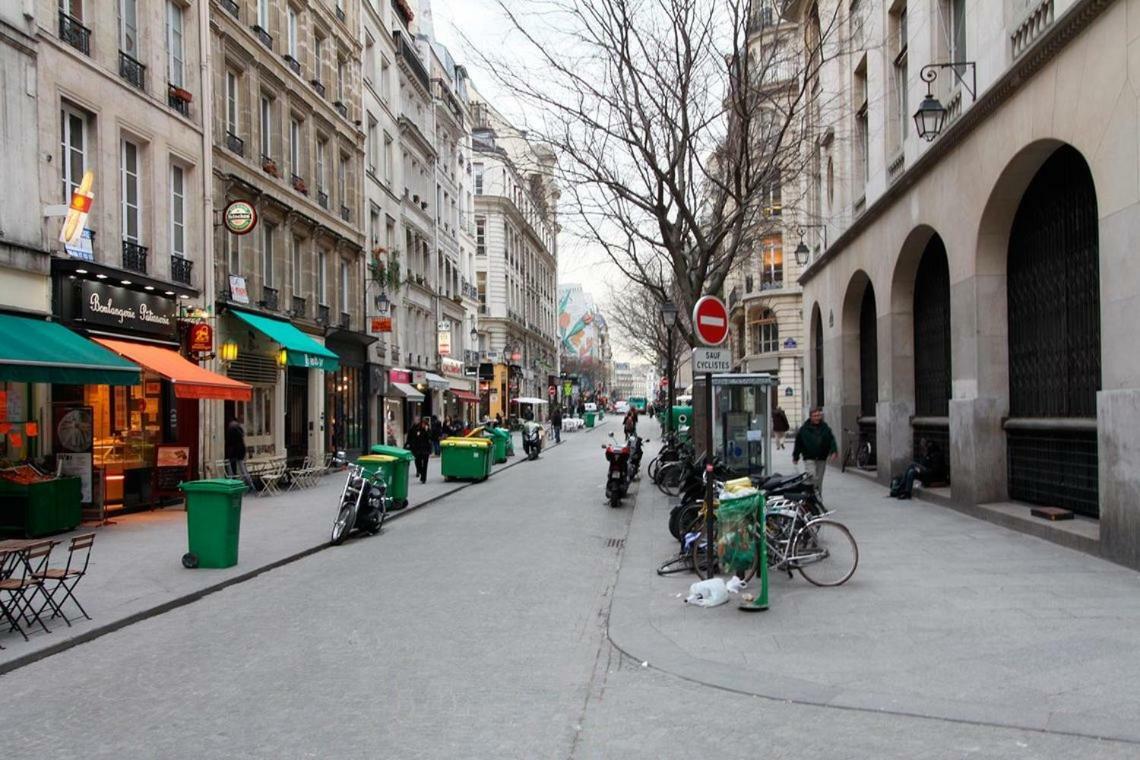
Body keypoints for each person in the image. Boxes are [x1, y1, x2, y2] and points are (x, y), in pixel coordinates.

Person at [792, 407, 838, 495]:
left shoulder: (825, 428)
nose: (817, 418)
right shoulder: (804, 429)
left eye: (818, 415)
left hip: (821, 457)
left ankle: (817, 498)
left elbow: (831, 439)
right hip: (809, 457)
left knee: (819, 480)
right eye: (815, 416)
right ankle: (810, 495)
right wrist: (796, 456)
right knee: (812, 476)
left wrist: (834, 451)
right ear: (811, 417)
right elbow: (798, 443)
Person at [225, 414, 254, 490]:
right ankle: (250, 484)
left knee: (232, 469)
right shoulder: (238, 427)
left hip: (233, 452)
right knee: (242, 468)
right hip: (240, 451)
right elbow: (241, 437)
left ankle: (232, 484)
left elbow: (229, 441)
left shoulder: (230, 428)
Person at [405, 418, 433, 484]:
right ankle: (420, 471)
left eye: (425, 424)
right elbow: (413, 438)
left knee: (425, 464)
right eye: (422, 424)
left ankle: (423, 478)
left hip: (426, 449)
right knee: (418, 462)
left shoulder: (428, 430)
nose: (423, 425)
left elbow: (430, 437)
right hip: (418, 449)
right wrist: (409, 444)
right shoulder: (417, 429)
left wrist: (426, 431)